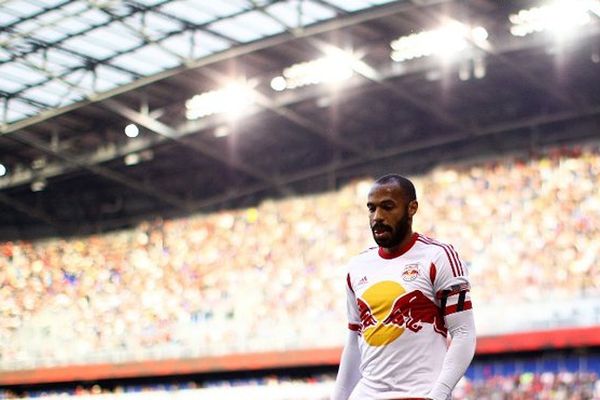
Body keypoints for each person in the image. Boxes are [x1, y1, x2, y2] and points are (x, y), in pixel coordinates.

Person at [331, 174, 476, 400]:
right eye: (372, 209)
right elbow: (354, 341)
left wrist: (438, 395)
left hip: (419, 394)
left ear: (412, 208)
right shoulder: (356, 267)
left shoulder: (438, 257)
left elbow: (463, 333)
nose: (377, 217)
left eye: (388, 207)